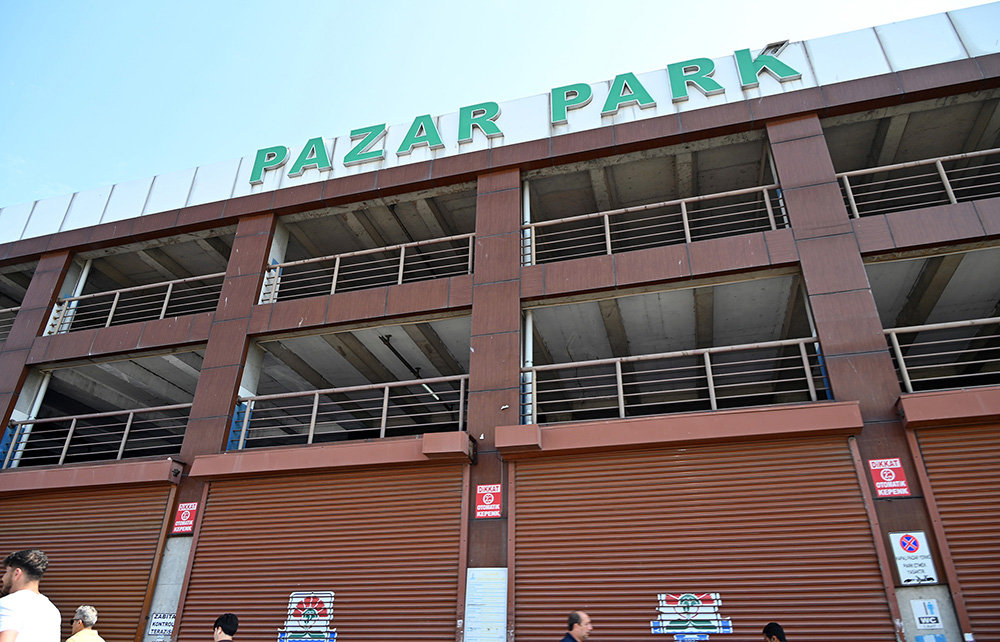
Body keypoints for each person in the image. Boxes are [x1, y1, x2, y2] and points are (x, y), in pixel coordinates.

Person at [0, 549, 60, 642]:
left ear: (17, 573)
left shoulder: (8, 604)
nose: (3, 578)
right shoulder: (51, 609)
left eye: (6, 572)